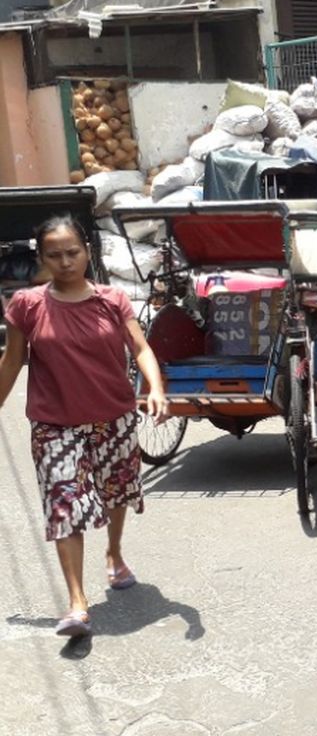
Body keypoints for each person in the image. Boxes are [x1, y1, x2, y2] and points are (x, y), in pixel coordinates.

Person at [0, 215, 166, 638]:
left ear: (87, 252)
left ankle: (113, 554)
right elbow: (12, 362)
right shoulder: (27, 305)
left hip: (114, 418)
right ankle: (77, 604)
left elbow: (141, 348)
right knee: (63, 504)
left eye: (73, 252)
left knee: (116, 492)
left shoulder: (112, 300)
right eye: (54, 255)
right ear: (42, 259)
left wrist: (156, 387)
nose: (66, 261)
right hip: (54, 426)